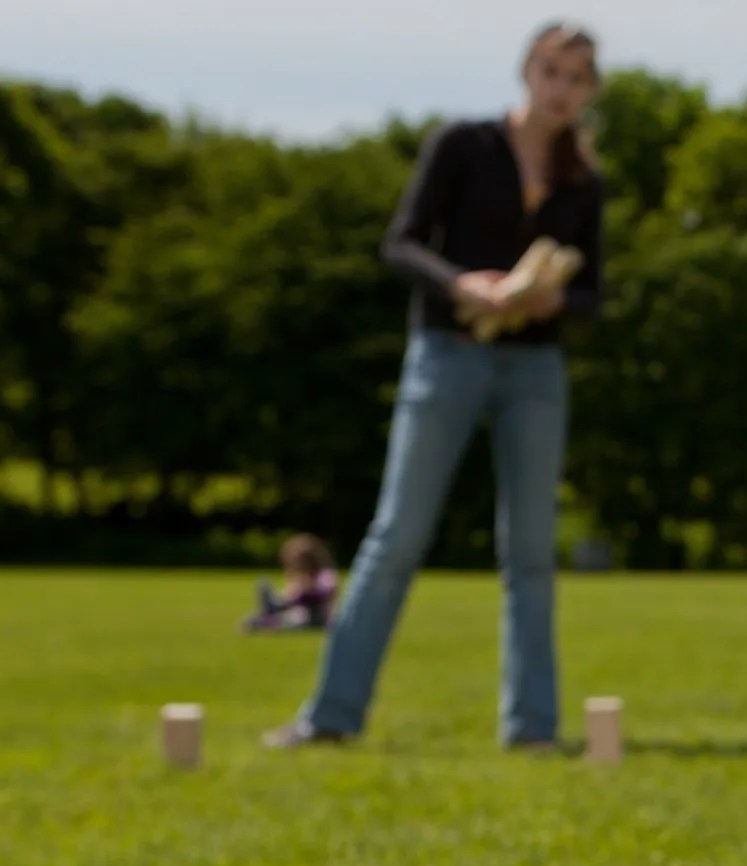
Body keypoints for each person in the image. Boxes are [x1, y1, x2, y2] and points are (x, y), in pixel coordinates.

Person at [265, 21, 605, 751]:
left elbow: (594, 294)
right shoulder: (462, 145)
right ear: (527, 71)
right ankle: (330, 717)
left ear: (589, 91)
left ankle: (533, 729)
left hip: (535, 369)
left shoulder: (584, 181)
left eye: (577, 78)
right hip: (446, 353)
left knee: (532, 552)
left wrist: (552, 300)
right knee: (396, 536)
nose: (562, 89)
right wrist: (464, 285)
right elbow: (401, 243)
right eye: (552, 71)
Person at [244, 534, 341, 633]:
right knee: (285, 612)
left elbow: (327, 594)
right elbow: (290, 598)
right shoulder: (300, 579)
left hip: (318, 616)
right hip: (299, 613)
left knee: (292, 619)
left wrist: (306, 591)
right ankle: (268, 614)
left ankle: (267, 618)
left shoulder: (325, 576)